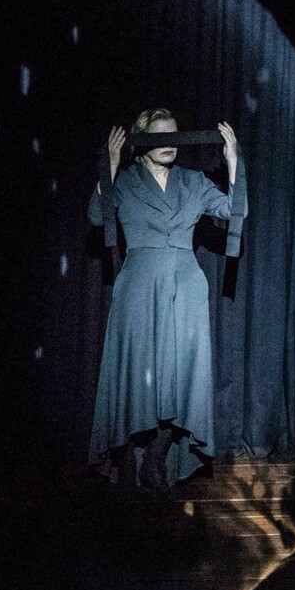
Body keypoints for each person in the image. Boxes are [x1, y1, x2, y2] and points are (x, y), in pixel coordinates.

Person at [87, 110, 243, 488]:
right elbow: (96, 216)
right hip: (138, 288)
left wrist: (233, 162)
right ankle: (127, 456)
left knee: (181, 377)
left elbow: (234, 210)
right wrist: (110, 165)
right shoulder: (126, 182)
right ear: (142, 143)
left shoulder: (193, 181)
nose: (169, 143)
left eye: (173, 136)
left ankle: (157, 457)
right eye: (159, 136)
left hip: (186, 291)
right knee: (136, 373)